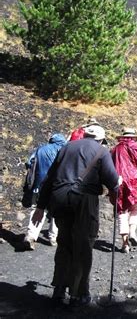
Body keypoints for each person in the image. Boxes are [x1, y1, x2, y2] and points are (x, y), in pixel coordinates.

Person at [32, 125, 119, 307]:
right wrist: (118, 184)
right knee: (83, 245)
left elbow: (49, 178)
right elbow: (111, 180)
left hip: (60, 198)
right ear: (101, 139)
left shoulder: (66, 147)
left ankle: (59, 289)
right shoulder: (101, 151)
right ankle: (78, 294)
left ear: (85, 135)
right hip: (84, 201)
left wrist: (40, 207)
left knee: (64, 242)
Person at [22, 133, 67, 250]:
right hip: (57, 185)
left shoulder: (41, 148)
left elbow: (29, 162)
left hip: (39, 184)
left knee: (37, 209)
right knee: (56, 212)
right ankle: (53, 237)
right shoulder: (64, 150)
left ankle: (30, 236)